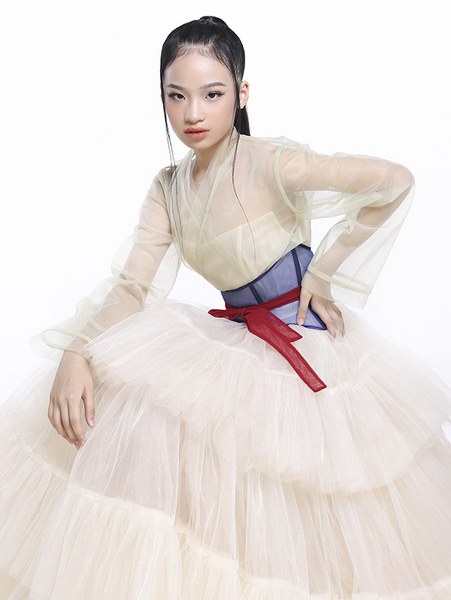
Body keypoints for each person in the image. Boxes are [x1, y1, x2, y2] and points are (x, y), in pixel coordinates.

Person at [1, 14, 451, 599]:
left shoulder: (271, 162)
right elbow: (132, 288)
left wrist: (324, 270)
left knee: (321, 521)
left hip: (306, 351)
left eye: (212, 94)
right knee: (140, 417)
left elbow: (394, 180)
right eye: (177, 95)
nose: (193, 113)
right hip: (239, 347)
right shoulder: (169, 188)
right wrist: (77, 352)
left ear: (241, 93)